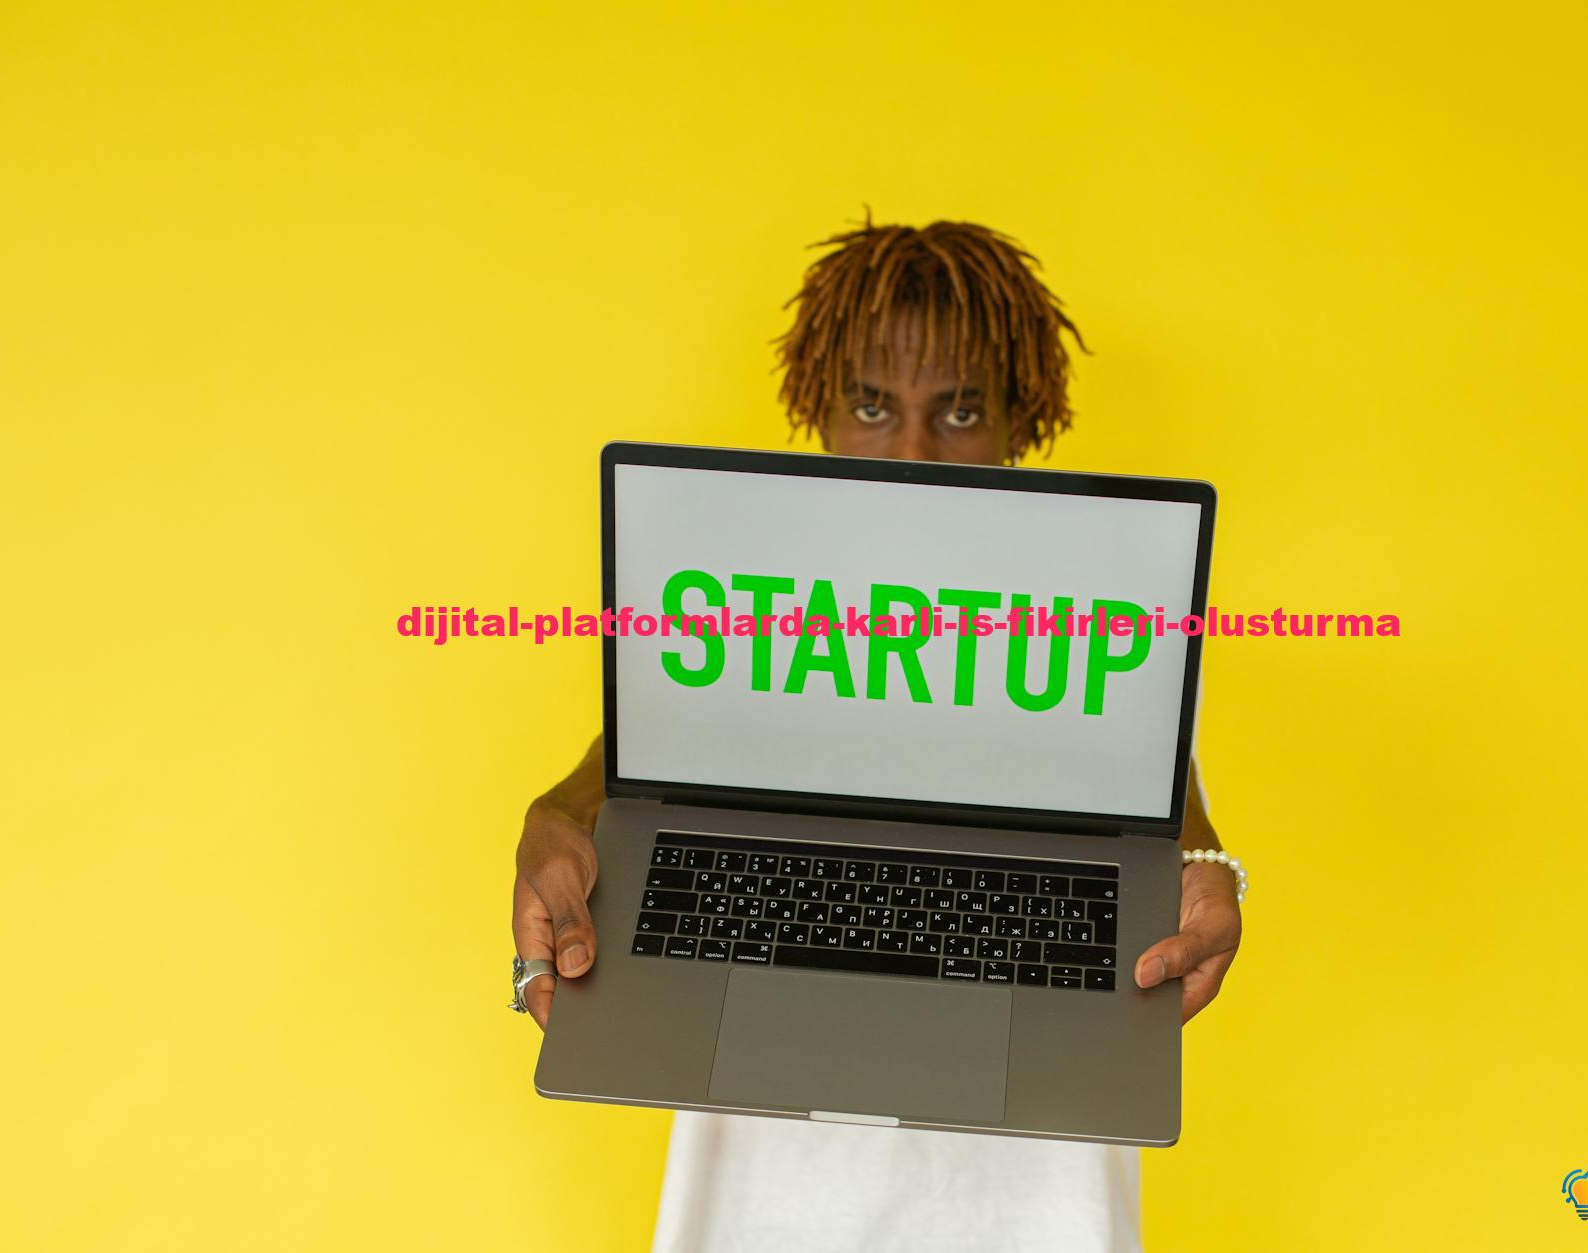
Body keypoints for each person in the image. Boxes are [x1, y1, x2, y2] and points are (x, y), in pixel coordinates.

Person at [512, 218, 1244, 1251]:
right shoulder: (748, 590)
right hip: (773, 1177)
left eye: (958, 409)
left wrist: (1209, 864)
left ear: (1019, 419)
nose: (910, 454)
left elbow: (1159, 797)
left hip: (1030, 1186)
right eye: (870, 405)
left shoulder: (1103, 596)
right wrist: (561, 810)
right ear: (817, 407)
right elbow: (645, 755)